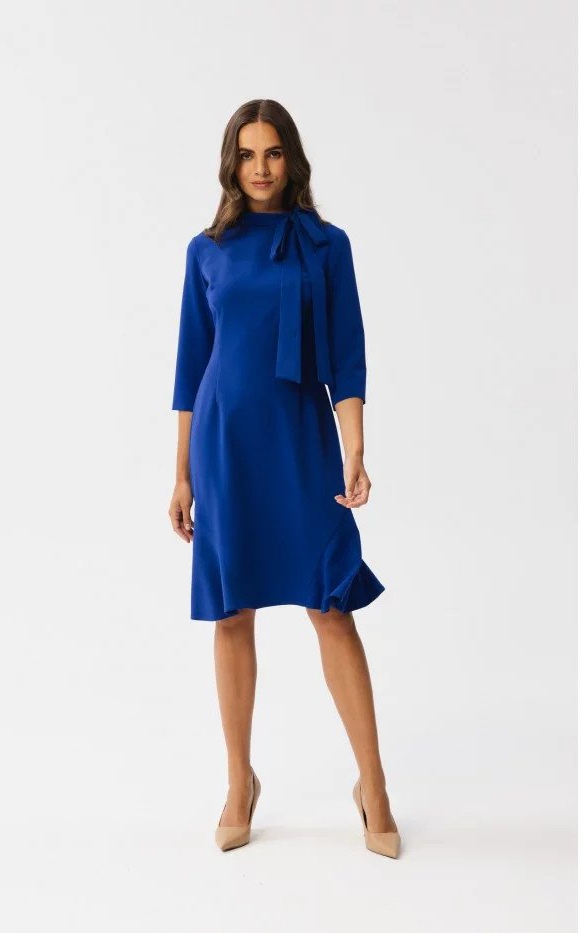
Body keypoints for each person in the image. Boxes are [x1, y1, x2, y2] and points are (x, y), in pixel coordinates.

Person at [168, 99, 400, 858]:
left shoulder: (327, 246)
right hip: (225, 445)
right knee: (232, 612)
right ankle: (240, 781)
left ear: (291, 159)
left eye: (272, 153)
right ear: (230, 163)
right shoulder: (207, 250)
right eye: (247, 154)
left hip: (300, 441)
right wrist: (181, 473)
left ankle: (374, 784)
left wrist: (354, 449)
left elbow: (347, 355)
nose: (260, 167)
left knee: (331, 605)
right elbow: (190, 367)